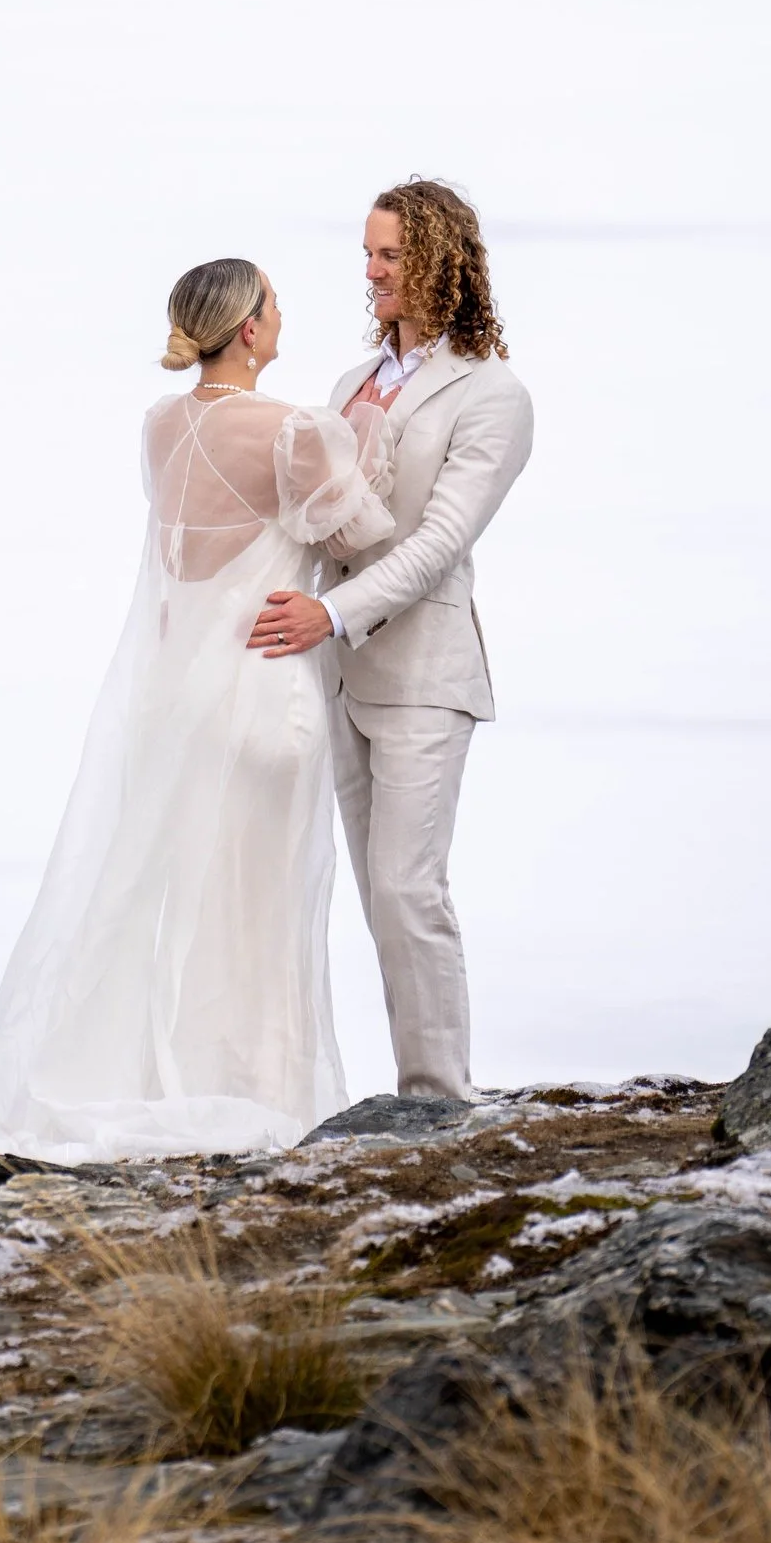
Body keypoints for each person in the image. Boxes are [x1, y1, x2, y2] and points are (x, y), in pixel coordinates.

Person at [0, 256, 396, 1181]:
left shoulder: (158, 426)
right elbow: (360, 533)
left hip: (180, 693)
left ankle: (182, 1077)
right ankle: (256, 1094)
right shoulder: (298, 430)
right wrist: (369, 435)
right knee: (260, 906)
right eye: (274, 300)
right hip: (263, 688)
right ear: (254, 328)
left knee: (186, 895)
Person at [248, 178, 534, 1108]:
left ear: (441, 261)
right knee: (377, 898)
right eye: (368, 255)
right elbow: (324, 524)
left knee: (410, 891)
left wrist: (329, 613)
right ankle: (415, 1099)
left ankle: (438, 1099)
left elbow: (440, 541)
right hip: (338, 674)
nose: (371, 273)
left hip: (424, 675)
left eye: (391, 256)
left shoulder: (493, 396)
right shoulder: (347, 384)